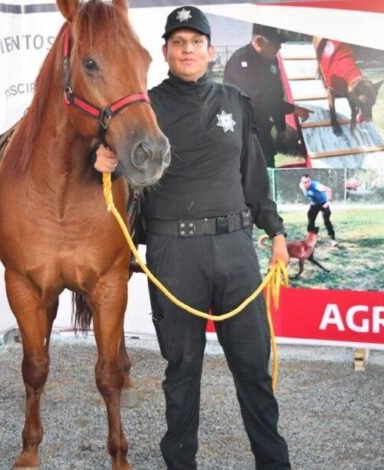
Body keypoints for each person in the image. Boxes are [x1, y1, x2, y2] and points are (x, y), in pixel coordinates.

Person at [95, 6, 291, 469]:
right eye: (178, 42)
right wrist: (101, 160)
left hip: (236, 249)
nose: (187, 49)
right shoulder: (145, 107)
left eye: (196, 42)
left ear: (208, 50)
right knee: (182, 372)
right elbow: (113, 163)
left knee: (252, 369)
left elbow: (254, 179)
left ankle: (274, 464)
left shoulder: (235, 101)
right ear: (165, 51)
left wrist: (276, 231)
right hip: (173, 252)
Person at [224, 24, 311, 167]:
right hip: (242, 133)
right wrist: (293, 109)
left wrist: (281, 127)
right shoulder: (240, 61)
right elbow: (258, 100)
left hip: (262, 131)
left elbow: (275, 94)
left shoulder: (270, 60)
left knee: (268, 164)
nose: (279, 48)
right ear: (259, 42)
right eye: (275, 45)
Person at [299, 174, 337, 246]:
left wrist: (328, 201)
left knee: (326, 220)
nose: (307, 183)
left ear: (310, 180)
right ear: (302, 182)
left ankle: (332, 238)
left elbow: (328, 189)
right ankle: (312, 237)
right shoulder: (301, 186)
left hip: (323, 203)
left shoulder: (316, 185)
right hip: (314, 204)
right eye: (305, 182)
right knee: (310, 220)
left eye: (308, 181)